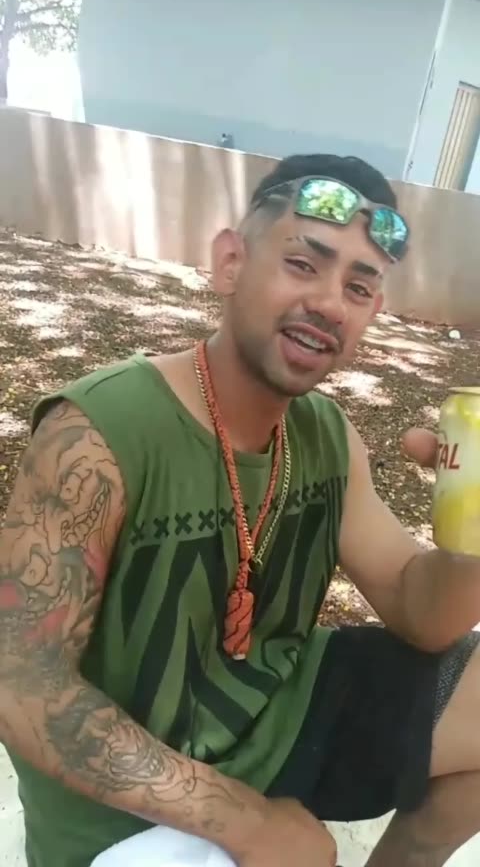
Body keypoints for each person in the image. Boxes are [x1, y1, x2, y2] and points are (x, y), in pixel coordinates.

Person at [1, 153, 480, 867]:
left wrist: (470, 532)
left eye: (358, 286)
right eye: (303, 264)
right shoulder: (98, 432)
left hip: (277, 713)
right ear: (231, 262)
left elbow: (423, 612)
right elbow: (20, 682)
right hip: (128, 793)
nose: (330, 302)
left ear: (372, 313)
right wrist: (249, 823)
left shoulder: (326, 435)